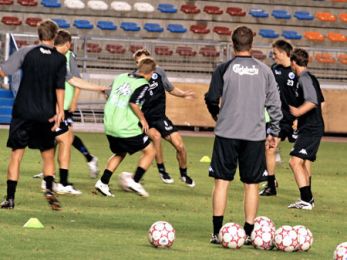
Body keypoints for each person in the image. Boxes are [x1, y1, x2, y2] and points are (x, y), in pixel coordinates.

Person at [205, 26, 282, 243]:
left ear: (232, 43)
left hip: (227, 133)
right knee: (252, 185)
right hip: (254, 135)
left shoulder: (223, 68)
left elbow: (211, 97)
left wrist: (217, 116)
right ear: (252, 43)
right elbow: (275, 104)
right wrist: (274, 130)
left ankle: (216, 232)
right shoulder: (265, 70)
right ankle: (248, 233)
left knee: (221, 182)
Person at [0, 20, 66, 210]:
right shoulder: (60, 59)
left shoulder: (26, 52)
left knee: (16, 155)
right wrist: (60, 110)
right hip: (46, 113)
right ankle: (48, 191)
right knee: (47, 155)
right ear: (54, 37)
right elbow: (59, 87)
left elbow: (4, 71)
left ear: (39, 35)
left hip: (23, 111)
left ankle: (10, 199)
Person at [39, 29, 109, 195]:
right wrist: (99, 88)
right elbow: (72, 80)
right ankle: (60, 182)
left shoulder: (44, 56)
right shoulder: (59, 59)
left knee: (61, 140)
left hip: (46, 108)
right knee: (64, 141)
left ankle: (50, 180)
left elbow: (70, 80)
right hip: (53, 109)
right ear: (67, 44)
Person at [94, 57, 157, 197]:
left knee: (120, 152)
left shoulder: (120, 77)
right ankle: (135, 181)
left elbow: (106, 92)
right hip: (126, 128)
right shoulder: (143, 84)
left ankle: (103, 182)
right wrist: (143, 120)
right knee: (150, 151)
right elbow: (134, 103)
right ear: (152, 73)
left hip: (110, 124)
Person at [132, 49, 196, 187]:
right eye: (138, 62)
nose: (141, 64)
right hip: (144, 119)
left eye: (143, 61)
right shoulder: (134, 77)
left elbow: (170, 88)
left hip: (160, 117)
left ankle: (184, 174)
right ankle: (162, 170)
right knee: (155, 137)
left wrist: (184, 94)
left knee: (180, 145)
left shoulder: (159, 72)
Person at [260, 40, 299, 196]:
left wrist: (299, 119)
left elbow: (304, 95)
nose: (273, 56)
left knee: (302, 158)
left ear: (283, 53)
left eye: (275, 53)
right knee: (269, 147)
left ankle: (306, 190)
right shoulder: (273, 69)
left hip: (295, 118)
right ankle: (271, 184)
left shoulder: (297, 70)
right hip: (279, 119)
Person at [287, 48, 324, 210]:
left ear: (294, 62)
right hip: (308, 127)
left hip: (311, 128)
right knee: (299, 162)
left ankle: (307, 200)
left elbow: (313, 101)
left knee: (295, 161)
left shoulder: (305, 78)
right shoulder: (309, 78)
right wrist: (298, 120)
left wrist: (297, 112)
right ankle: (307, 199)